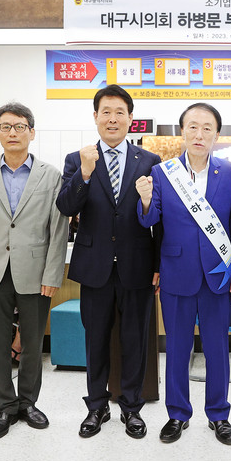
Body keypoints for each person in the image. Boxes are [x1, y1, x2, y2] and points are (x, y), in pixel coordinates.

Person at [137, 102, 231, 445]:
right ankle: (177, 414)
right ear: (182, 131)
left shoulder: (230, 173)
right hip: (176, 273)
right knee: (177, 348)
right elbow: (150, 220)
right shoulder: (162, 173)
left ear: (217, 134)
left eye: (207, 128)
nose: (199, 134)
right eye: (193, 127)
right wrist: (144, 200)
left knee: (217, 349)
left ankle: (219, 415)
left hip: (218, 273)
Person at [56, 85, 161, 439]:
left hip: (138, 265)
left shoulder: (150, 161)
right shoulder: (77, 159)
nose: (112, 119)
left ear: (131, 118)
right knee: (96, 340)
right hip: (94, 265)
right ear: (95, 117)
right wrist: (84, 174)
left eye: (119, 112)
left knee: (135, 340)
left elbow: (158, 218)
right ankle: (97, 406)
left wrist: (158, 264)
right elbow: (66, 207)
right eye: (106, 112)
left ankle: (131, 407)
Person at [0, 102, 68, 439]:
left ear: (31, 133)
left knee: (33, 343)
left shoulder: (50, 175)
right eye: (6, 127)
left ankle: (28, 403)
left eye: (20, 126)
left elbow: (58, 228)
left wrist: (52, 274)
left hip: (35, 270)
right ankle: (5, 407)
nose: (12, 132)